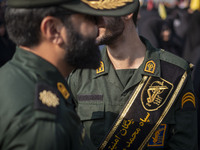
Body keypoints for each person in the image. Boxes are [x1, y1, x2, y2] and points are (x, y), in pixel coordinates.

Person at [0, 0, 138, 149]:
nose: (97, 29)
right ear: (53, 30)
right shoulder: (43, 123)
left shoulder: (17, 78)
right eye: (90, 19)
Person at [68, 0, 198, 149]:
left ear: (126, 12)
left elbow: (185, 144)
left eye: (99, 11)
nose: (91, 20)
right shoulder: (80, 75)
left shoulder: (174, 73)